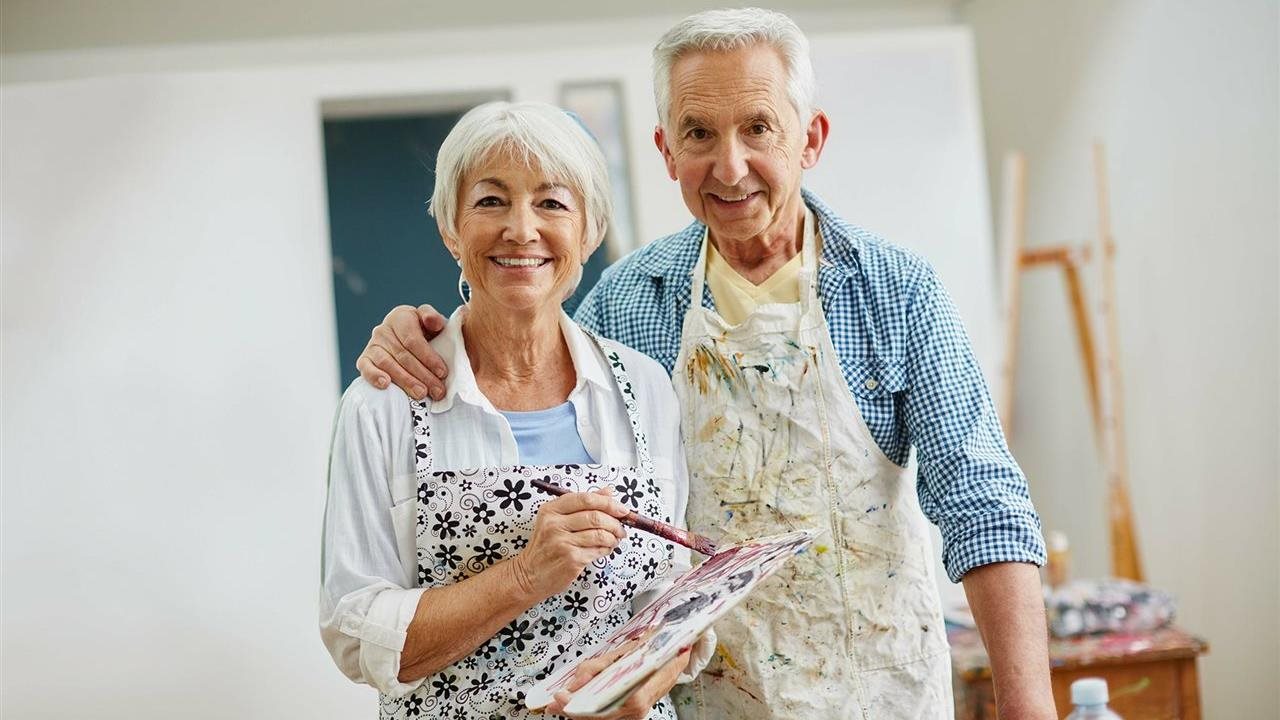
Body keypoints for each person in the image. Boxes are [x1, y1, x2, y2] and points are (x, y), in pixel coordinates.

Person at [356, 9, 1055, 719]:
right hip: (704, 700)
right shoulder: (626, 302)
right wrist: (416, 335)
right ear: (666, 151)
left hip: (876, 693)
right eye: (698, 134)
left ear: (810, 139)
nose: (730, 166)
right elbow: (523, 351)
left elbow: (982, 502)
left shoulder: (895, 292)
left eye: (758, 128)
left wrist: (1027, 705)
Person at [320, 101, 715, 720]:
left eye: (552, 203)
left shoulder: (644, 387)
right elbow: (356, 633)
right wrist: (526, 575)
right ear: (451, 229)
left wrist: (645, 678)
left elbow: (668, 589)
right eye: (491, 201)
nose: (521, 229)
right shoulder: (384, 404)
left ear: (589, 231)